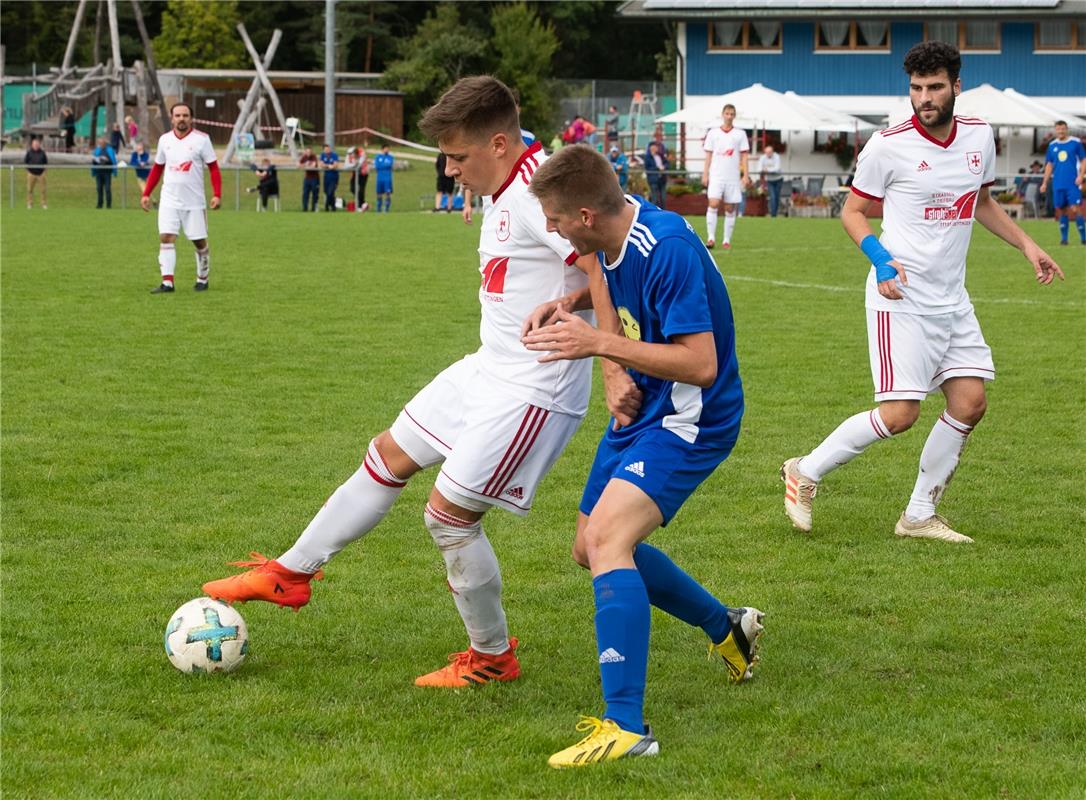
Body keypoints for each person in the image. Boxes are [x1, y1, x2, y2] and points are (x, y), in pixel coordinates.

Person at [202, 75, 602, 689]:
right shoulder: (508, 175)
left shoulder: (532, 191)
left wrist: (613, 360)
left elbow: (601, 256)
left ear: (498, 144)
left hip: (534, 385)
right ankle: (291, 573)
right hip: (488, 364)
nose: (447, 170)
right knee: (388, 453)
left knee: (448, 517)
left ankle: (492, 658)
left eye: (457, 156)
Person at [521, 144, 763, 768]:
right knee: (589, 548)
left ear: (585, 214)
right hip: (646, 405)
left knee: (607, 543)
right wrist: (571, 305)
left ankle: (628, 727)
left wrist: (601, 344)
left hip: (691, 417)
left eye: (554, 218)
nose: (550, 228)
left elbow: (703, 366)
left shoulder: (669, 250)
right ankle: (725, 627)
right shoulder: (611, 234)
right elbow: (600, 272)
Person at [780, 41, 1064, 544]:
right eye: (916, 89)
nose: (925, 98)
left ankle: (917, 515)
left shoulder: (979, 136)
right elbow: (852, 212)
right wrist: (881, 259)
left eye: (935, 87)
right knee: (900, 413)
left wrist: (1027, 245)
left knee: (971, 402)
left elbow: (980, 201)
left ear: (957, 86)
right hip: (900, 298)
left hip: (952, 300)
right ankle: (805, 470)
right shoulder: (888, 145)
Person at [140, 102, 222, 294]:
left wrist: (217, 194)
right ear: (172, 118)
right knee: (166, 237)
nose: (181, 119)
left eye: (185, 115)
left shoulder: (202, 140)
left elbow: (214, 168)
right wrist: (146, 193)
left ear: (191, 118)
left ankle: (203, 278)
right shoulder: (164, 140)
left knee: (199, 241)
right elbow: (158, 168)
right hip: (169, 199)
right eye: (177, 115)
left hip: (194, 201)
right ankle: (167, 282)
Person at [701, 104, 750, 250]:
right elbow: (708, 155)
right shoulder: (713, 133)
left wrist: (745, 175)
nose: (729, 116)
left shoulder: (740, 134)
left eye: (732, 114)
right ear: (722, 114)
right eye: (727, 113)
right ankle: (711, 238)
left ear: (734, 116)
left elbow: (744, 156)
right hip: (716, 176)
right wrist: (705, 174)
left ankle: (726, 240)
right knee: (714, 203)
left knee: (729, 208)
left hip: (732, 177)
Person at [1039, 120, 1086, 246]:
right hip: (1058, 183)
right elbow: (1049, 164)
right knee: (1062, 210)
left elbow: (1083, 160)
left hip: (1072, 183)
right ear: (1055, 130)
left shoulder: (1075, 143)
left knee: (1076, 209)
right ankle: (1064, 239)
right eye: (1058, 129)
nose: (1060, 131)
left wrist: (1081, 176)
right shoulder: (1052, 145)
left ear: (1067, 129)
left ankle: (1084, 238)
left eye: (1063, 129)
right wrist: (1044, 182)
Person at [91, 137, 117, 209]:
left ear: (105, 143)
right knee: (99, 188)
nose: (100, 144)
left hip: (107, 173)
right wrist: (95, 161)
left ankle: (108, 205)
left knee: (107, 189)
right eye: (99, 143)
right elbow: (94, 162)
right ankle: (99, 204)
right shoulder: (97, 150)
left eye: (102, 143)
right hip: (99, 172)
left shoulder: (109, 150)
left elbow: (113, 161)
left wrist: (106, 160)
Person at [758, 145, 784, 217]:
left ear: (773, 152)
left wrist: (767, 170)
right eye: (767, 152)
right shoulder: (762, 158)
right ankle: (773, 215)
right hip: (770, 180)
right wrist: (766, 170)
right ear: (765, 152)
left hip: (778, 179)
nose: (768, 154)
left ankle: (774, 213)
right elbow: (759, 169)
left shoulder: (777, 157)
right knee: (772, 197)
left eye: (770, 152)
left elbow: (777, 169)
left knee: (777, 197)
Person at [644, 140, 669, 209]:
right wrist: (658, 168)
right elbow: (647, 168)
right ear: (650, 148)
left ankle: (663, 212)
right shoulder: (647, 157)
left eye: (656, 146)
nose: (655, 148)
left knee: (663, 198)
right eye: (653, 146)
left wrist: (664, 167)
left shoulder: (660, 155)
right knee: (654, 197)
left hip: (662, 179)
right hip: (653, 179)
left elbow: (667, 163)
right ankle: (653, 212)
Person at [24, 137, 48, 210]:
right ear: (32, 145)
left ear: (39, 145)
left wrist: (44, 171)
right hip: (31, 173)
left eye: (37, 144)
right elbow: (25, 162)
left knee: (43, 190)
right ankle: (29, 204)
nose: (36, 145)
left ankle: (43, 204)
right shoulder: (29, 152)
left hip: (41, 174)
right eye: (34, 144)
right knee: (29, 190)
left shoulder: (42, 152)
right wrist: (28, 171)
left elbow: (46, 162)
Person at [346, 146, 369, 211]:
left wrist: (353, 164)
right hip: (355, 174)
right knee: (352, 188)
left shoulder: (362, 153)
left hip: (363, 173)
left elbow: (359, 164)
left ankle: (360, 206)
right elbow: (346, 165)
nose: (350, 155)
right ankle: (363, 203)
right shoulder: (349, 155)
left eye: (351, 154)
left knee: (361, 190)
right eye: (349, 154)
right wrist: (353, 165)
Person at [320, 143, 340, 211]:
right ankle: (333, 207)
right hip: (326, 177)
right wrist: (328, 166)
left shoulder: (334, 155)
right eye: (325, 149)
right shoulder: (322, 155)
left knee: (330, 192)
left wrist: (331, 166)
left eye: (328, 149)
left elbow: (335, 165)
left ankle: (326, 206)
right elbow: (322, 164)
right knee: (327, 192)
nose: (327, 150)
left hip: (334, 177)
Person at [374, 144, 394, 212]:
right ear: (382, 149)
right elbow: (377, 166)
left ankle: (386, 208)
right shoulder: (378, 157)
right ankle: (378, 208)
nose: (387, 150)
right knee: (379, 193)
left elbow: (389, 165)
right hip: (380, 178)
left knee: (387, 193)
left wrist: (382, 165)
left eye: (388, 148)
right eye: (385, 148)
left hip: (387, 178)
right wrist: (384, 166)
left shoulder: (390, 157)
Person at [299, 147, 320, 212]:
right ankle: (305, 208)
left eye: (309, 152)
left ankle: (314, 209)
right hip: (307, 179)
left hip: (314, 178)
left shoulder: (314, 157)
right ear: (305, 152)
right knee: (305, 194)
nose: (308, 153)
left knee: (315, 193)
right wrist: (306, 164)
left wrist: (305, 165)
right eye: (307, 152)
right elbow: (298, 165)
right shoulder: (304, 157)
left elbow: (313, 166)